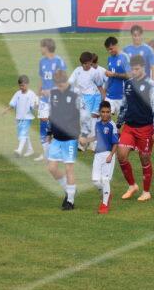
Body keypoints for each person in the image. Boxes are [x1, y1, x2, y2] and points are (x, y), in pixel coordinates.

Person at [117, 55, 154, 201]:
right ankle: (132, 185)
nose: (134, 71)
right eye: (132, 69)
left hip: (145, 128)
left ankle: (146, 192)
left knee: (145, 158)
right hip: (129, 127)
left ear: (143, 68)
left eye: (137, 69)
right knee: (121, 155)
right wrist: (119, 123)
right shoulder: (127, 84)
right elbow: (124, 105)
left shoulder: (150, 85)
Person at [46, 69, 83, 210]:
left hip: (70, 139)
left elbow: (81, 115)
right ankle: (69, 190)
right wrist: (49, 131)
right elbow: (52, 113)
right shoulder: (54, 94)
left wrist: (80, 134)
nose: (60, 85)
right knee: (52, 168)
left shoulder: (75, 95)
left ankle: (70, 201)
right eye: (57, 83)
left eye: (62, 83)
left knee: (69, 169)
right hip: (56, 138)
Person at [36, 38, 66, 161]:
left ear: (46, 48)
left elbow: (63, 82)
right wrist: (38, 96)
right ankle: (46, 153)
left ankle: (58, 151)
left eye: (41, 47)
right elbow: (41, 79)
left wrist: (51, 91)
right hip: (44, 100)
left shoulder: (59, 61)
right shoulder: (41, 61)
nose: (40, 49)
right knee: (43, 124)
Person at [68, 51, 106, 147]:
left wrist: (103, 99)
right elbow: (70, 82)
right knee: (84, 119)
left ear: (91, 62)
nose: (85, 65)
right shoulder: (78, 70)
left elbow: (100, 87)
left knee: (92, 119)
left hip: (95, 97)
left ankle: (94, 144)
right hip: (84, 98)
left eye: (87, 63)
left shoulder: (95, 73)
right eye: (83, 64)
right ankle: (85, 142)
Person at [91, 101, 119, 214]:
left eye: (108, 112)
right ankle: (106, 193)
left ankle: (104, 205)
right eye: (103, 112)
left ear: (110, 112)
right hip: (98, 155)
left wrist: (111, 155)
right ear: (100, 112)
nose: (105, 114)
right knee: (95, 181)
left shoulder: (112, 125)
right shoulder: (97, 124)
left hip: (108, 154)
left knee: (105, 179)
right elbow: (97, 137)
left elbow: (116, 143)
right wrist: (85, 140)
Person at [5, 75, 39, 156]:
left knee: (23, 134)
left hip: (27, 117)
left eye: (23, 85)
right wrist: (7, 109)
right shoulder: (17, 94)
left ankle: (19, 150)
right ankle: (30, 149)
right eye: (20, 85)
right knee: (23, 134)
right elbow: (13, 103)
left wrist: (36, 106)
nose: (21, 87)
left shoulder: (31, 94)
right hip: (18, 117)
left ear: (27, 84)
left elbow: (34, 106)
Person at [103, 36, 131, 115]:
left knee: (122, 121)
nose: (109, 51)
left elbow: (130, 75)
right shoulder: (110, 58)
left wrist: (114, 74)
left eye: (111, 49)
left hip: (121, 96)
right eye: (108, 49)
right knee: (105, 119)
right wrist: (105, 90)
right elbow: (110, 77)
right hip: (110, 95)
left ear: (116, 45)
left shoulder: (124, 57)